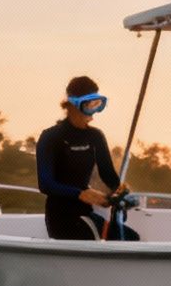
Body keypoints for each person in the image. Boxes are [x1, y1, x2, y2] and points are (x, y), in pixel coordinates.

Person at [37, 77, 135, 241]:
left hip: (85, 212)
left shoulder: (95, 136)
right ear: (72, 105)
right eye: (88, 105)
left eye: (97, 104)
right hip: (61, 217)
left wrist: (120, 193)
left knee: (131, 239)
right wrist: (81, 194)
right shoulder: (51, 137)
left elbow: (108, 174)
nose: (93, 111)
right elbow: (45, 184)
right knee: (108, 241)